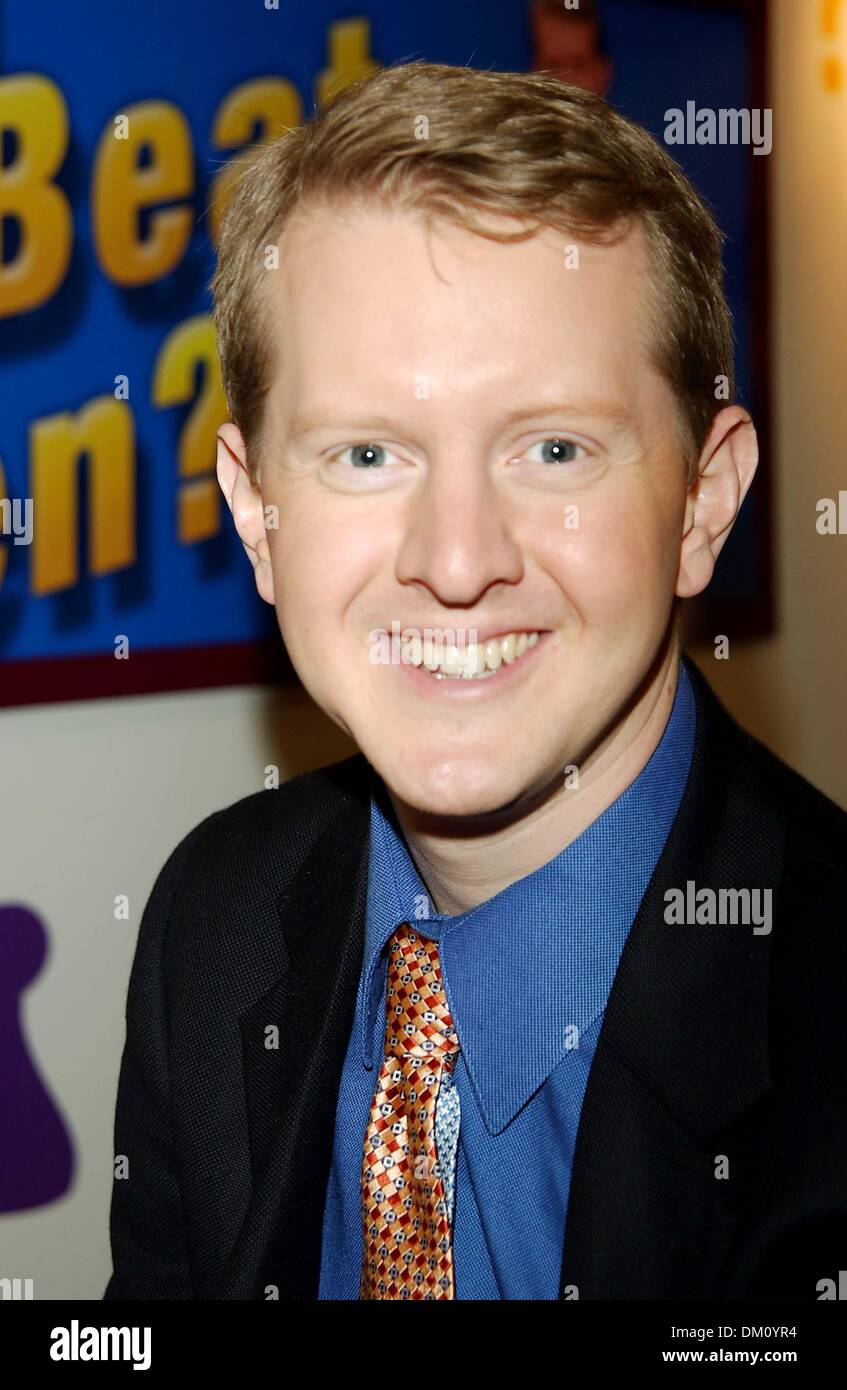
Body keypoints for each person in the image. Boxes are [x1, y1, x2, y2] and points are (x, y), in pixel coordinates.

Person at [104, 60, 847, 1301]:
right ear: (256, 513)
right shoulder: (214, 919)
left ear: (701, 502)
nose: (457, 563)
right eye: (367, 451)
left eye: (553, 448)